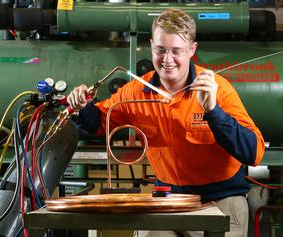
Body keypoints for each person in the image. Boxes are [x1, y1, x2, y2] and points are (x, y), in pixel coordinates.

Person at [67, 8, 265, 237]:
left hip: (221, 202)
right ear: (151, 45)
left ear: (192, 50)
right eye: (160, 50)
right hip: (169, 202)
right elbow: (99, 123)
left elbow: (253, 152)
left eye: (176, 51)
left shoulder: (217, 90)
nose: (167, 60)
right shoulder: (135, 92)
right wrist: (82, 108)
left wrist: (213, 111)